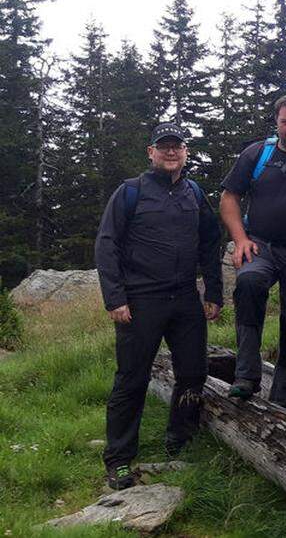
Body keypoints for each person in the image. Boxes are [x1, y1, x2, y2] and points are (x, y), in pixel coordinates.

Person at [94, 123, 223, 490]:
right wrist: (115, 298)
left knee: (193, 373)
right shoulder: (130, 192)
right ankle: (119, 460)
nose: (170, 152)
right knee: (132, 379)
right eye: (163, 147)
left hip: (184, 299)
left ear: (185, 153)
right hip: (140, 300)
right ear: (151, 152)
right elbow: (106, 245)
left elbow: (210, 242)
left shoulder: (194, 193)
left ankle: (180, 442)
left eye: (177, 147)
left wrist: (213, 290)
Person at [220, 93, 286, 407]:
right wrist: (240, 238)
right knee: (248, 285)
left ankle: (284, 394)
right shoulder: (257, 153)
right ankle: (246, 376)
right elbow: (230, 196)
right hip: (260, 243)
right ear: (276, 123)